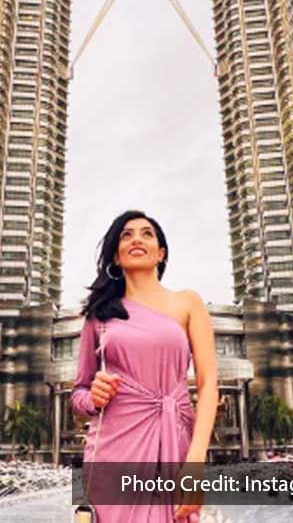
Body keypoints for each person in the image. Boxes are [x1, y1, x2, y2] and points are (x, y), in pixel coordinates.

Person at [70, 209, 219, 522]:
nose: (137, 238)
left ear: (160, 253)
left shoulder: (188, 302)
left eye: (147, 233)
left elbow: (207, 386)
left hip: (175, 444)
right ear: (116, 256)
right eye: (126, 235)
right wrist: (94, 397)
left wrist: (196, 461)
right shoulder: (99, 315)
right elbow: (79, 392)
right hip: (113, 451)